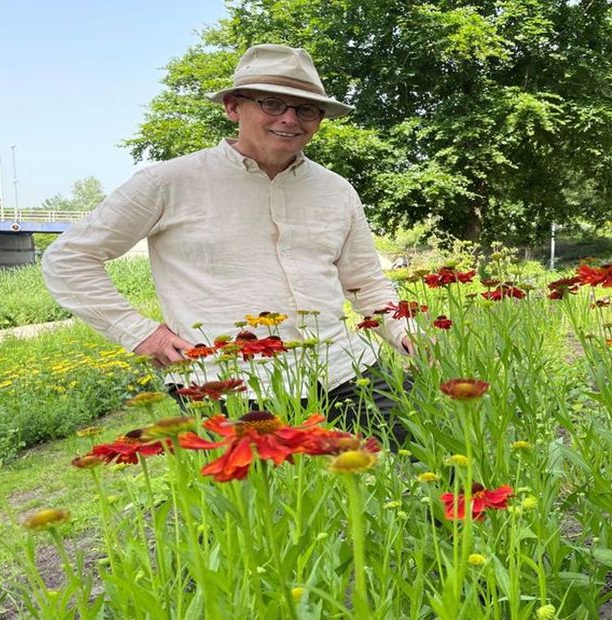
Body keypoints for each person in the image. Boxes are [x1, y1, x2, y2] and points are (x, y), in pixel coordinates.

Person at [42, 44, 414, 444]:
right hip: (229, 386)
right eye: (272, 103)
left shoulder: (336, 190)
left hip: (345, 370)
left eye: (306, 109)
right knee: (267, 502)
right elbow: (70, 259)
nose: (290, 119)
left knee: (418, 468)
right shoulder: (167, 183)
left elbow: (366, 282)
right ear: (234, 107)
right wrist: (142, 334)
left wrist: (410, 336)